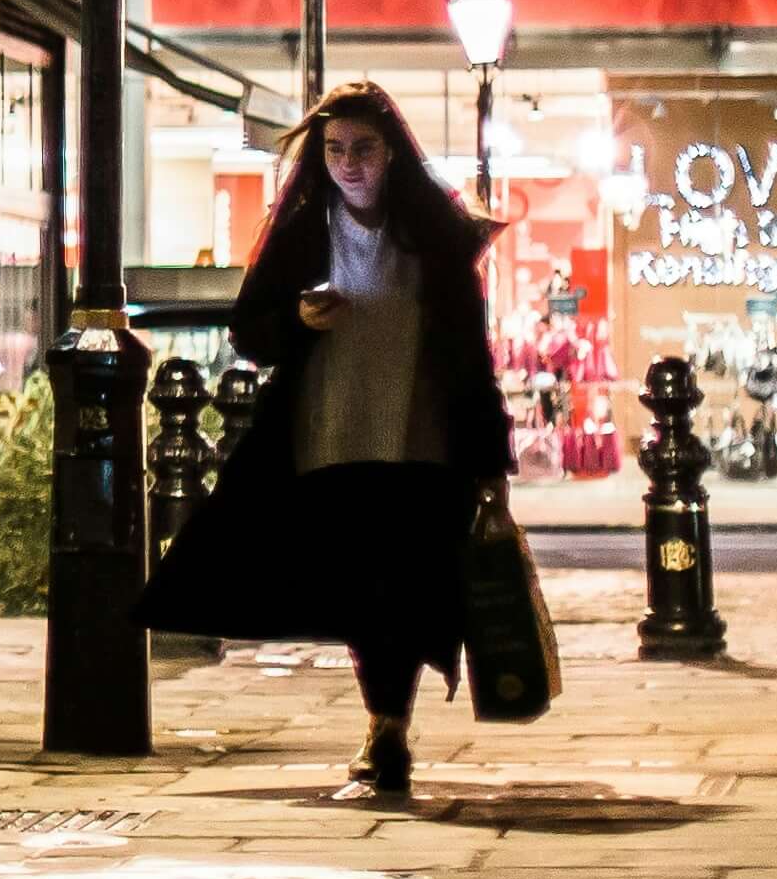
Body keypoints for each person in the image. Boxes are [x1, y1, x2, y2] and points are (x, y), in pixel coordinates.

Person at [138, 83, 510, 801]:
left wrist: (490, 464)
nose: (350, 164)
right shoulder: (306, 228)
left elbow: (472, 357)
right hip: (326, 436)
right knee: (364, 587)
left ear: (393, 150)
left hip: (421, 440)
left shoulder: (433, 238)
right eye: (336, 149)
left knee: (404, 586)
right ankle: (386, 726)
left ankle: (387, 728)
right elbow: (250, 329)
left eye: (363, 148)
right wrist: (299, 319)